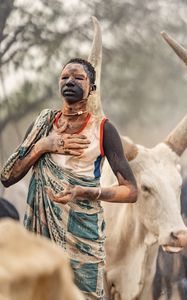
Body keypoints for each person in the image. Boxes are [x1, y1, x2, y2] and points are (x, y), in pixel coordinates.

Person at [1, 58, 138, 300]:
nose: (70, 82)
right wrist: (43, 146)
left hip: (84, 234)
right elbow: (7, 176)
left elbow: (130, 191)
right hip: (41, 234)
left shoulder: (103, 129)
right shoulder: (42, 125)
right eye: (65, 77)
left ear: (91, 88)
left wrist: (86, 192)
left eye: (78, 78)